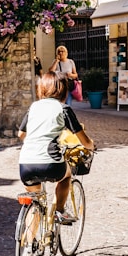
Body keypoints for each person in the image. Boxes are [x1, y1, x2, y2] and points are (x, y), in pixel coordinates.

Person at [17, 73, 94, 222]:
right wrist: (91, 146)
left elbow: (21, 134)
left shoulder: (33, 107)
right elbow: (84, 140)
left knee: (36, 204)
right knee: (67, 175)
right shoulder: (63, 108)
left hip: (25, 164)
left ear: (42, 89)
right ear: (63, 90)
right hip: (50, 164)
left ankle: (28, 243)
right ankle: (59, 211)